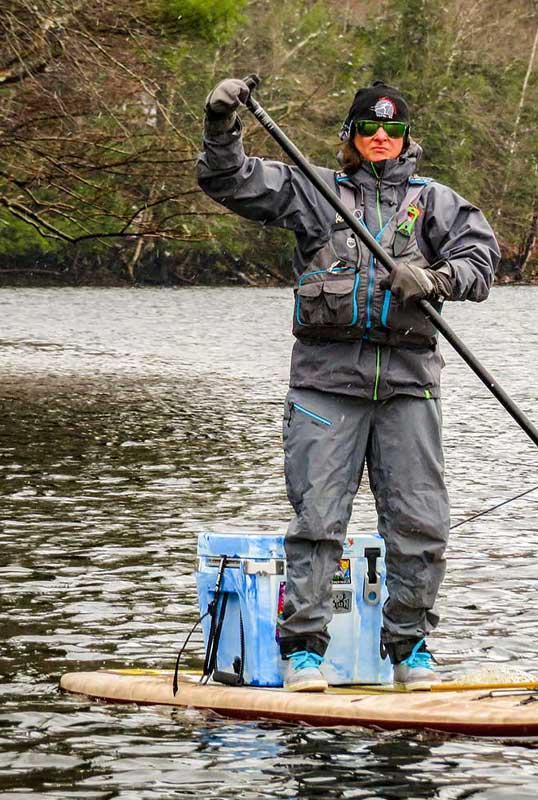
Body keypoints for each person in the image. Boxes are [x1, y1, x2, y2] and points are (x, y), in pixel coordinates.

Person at [198, 79, 500, 692]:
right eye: (369, 128)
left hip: (408, 387)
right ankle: (303, 651)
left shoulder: (437, 203)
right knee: (318, 521)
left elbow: (481, 263)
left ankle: (410, 648)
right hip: (325, 387)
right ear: (351, 136)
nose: (381, 137)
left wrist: (435, 279)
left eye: (393, 129)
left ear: (407, 138)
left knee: (420, 522)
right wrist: (220, 125)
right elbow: (230, 180)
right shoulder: (315, 193)